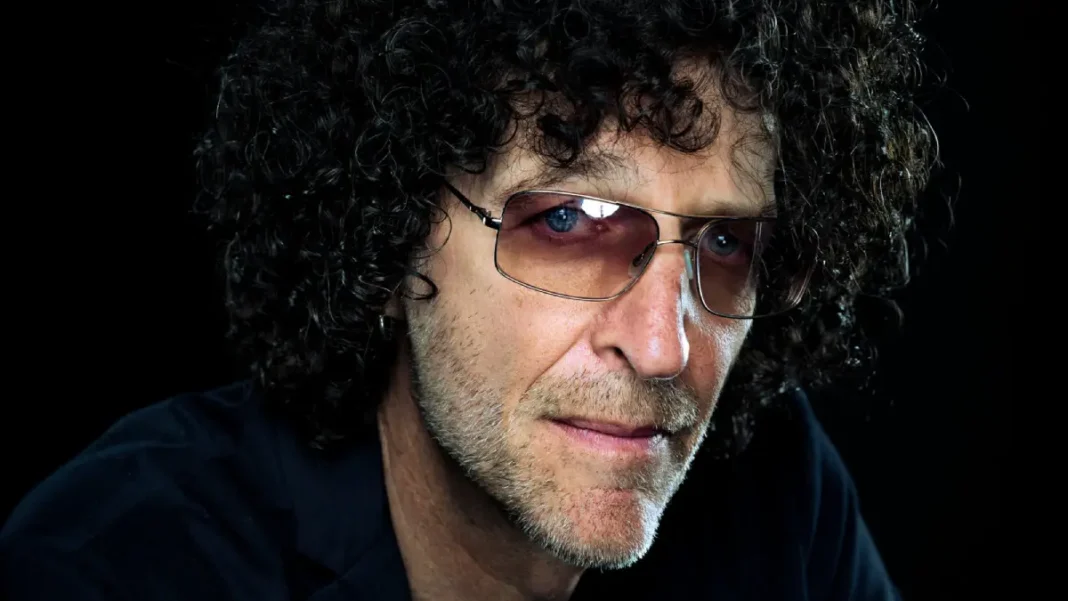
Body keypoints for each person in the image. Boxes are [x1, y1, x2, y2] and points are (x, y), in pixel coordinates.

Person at [1, 0, 937, 599]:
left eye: (726, 243)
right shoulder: (126, 561)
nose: (665, 347)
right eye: (571, 221)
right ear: (387, 234)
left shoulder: (777, 495)